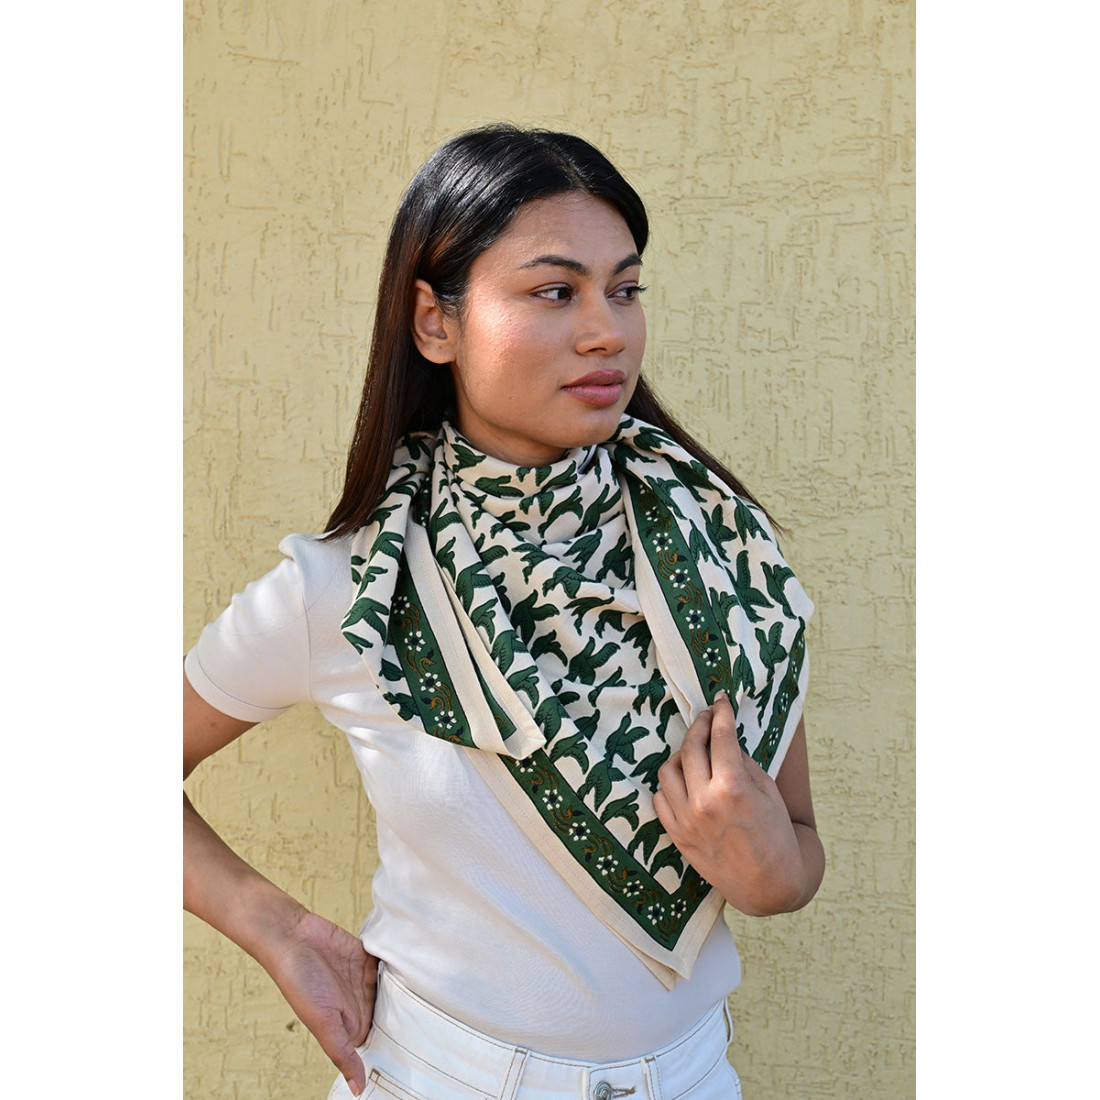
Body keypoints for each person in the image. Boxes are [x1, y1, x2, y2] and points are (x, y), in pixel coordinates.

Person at [184, 123, 824, 1100]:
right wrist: (273, 926)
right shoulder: (354, 588)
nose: (607, 330)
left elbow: (795, 841)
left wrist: (775, 874)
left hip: (691, 1077)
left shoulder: (721, 549)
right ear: (434, 323)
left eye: (624, 289)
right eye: (554, 291)